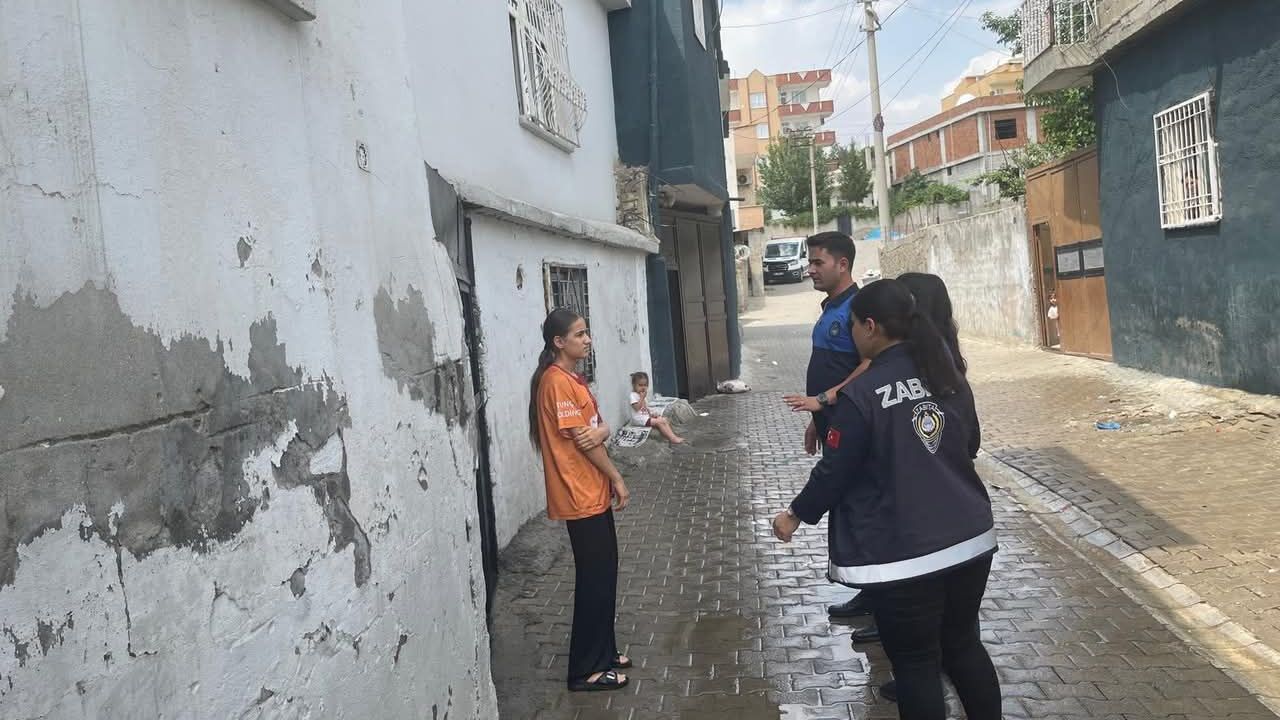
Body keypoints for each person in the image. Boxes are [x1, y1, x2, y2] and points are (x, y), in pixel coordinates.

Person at [771, 279, 1001, 720]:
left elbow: (836, 471)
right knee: (963, 646)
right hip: (970, 540)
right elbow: (969, 442)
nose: (853, 333)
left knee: (915, 663)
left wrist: (794, 514)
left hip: (906, 553)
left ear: (871, 327)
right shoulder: (945, 373)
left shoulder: (861, 394)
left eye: (854, 325)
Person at [528, 308, 633, 692]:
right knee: (594, 580)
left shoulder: (572, 379)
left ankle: (605, 652)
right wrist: (617, 477)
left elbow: (596, 429)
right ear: (558, 342)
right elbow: (585, 442)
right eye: (578, 335)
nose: (587, 340)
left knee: (605, 574)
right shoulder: (556, 382)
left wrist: (603, 430)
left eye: (586, 332)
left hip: (591, 491)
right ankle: (585, 670)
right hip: (579, 493)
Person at [780, 231, 877, 633]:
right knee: (851, 512)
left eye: (818, 262)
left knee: (867, 514)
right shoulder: (831, 307)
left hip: (857, 429)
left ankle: (885, 603)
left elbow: (869, 365)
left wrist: (824, 399)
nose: (810, 270)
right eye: (810, 262)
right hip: (833, 424)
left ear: (843, 264)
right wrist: (816, 419)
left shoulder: (860, 308)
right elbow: (832, 368)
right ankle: (871, 593)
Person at [628, 371, 684, 444]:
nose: (643, 387)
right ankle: (672, 438)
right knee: (660, 422)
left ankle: (672, 436)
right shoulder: (633, 396)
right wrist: (642, 398)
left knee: (663, 420)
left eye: (645, 385)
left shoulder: (641, 395)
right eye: (640, 385)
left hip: (645, 418)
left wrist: (651, 414)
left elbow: (645, 408)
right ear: (633, 385)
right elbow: (636, 408)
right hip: (639, 420)